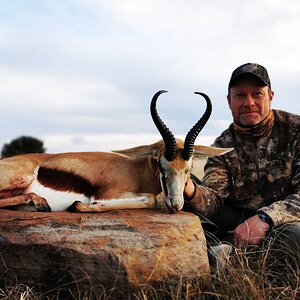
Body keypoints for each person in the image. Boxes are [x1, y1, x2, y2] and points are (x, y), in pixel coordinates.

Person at [183, 63, 300, 272]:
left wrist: (266, 218)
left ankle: (228, 251)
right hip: (237, 218)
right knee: (187, 200)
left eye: (257, 94)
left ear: (270, 96)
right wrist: (189, 190)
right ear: (229, 101)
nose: (249, 102)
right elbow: (214, 199)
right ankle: (224, 249)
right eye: (240, 95)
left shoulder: (295, 130)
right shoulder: (222, 145)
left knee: (295, 238)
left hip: (283, 221)